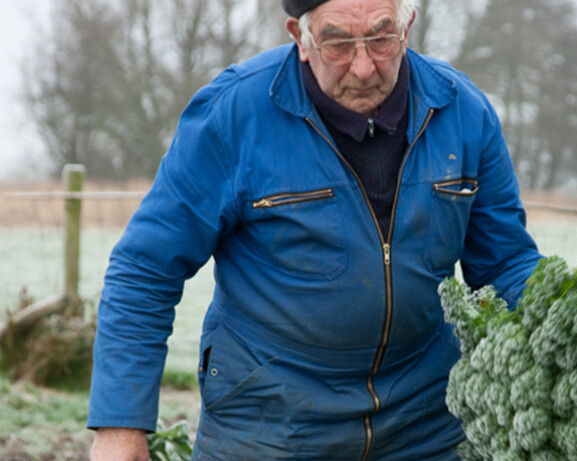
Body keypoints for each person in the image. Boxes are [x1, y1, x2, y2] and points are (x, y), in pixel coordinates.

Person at [87, 0, 542, 459]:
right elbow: (145, 268)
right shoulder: (233, 117)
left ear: (408, 26)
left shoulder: (463, 112)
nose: (364, 68)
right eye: (338, 43)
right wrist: (120, 426)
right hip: (270, 425)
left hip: (425, 423)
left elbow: (504, 262)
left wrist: (574, 327)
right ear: (300, 38)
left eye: (382, 38)